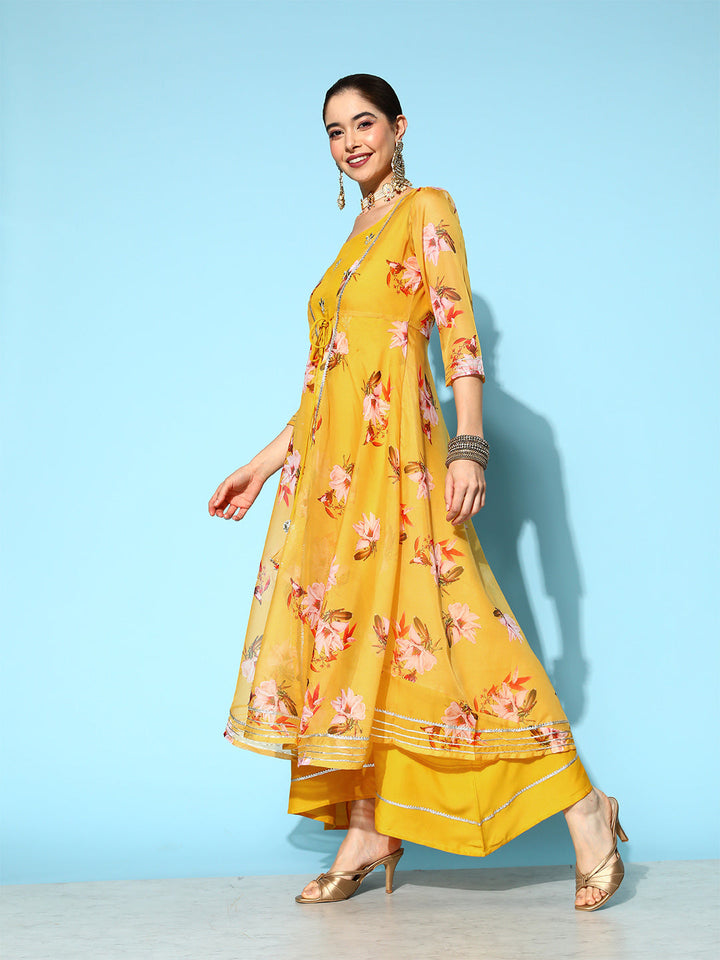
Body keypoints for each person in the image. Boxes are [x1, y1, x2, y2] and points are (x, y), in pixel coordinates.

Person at [209, 74, 628, 910]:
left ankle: (587, 809)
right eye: (335, 131)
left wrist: (469, 447)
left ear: (399, 127)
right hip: (334, 479)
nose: (351, 142)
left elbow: (457, 333)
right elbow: (331, 378)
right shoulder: (351, 237)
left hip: (401, 463)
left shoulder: (426, 208)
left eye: (364, 122)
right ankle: (370, 827)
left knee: (459, 630)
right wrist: (263, 462)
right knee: (359, 646)